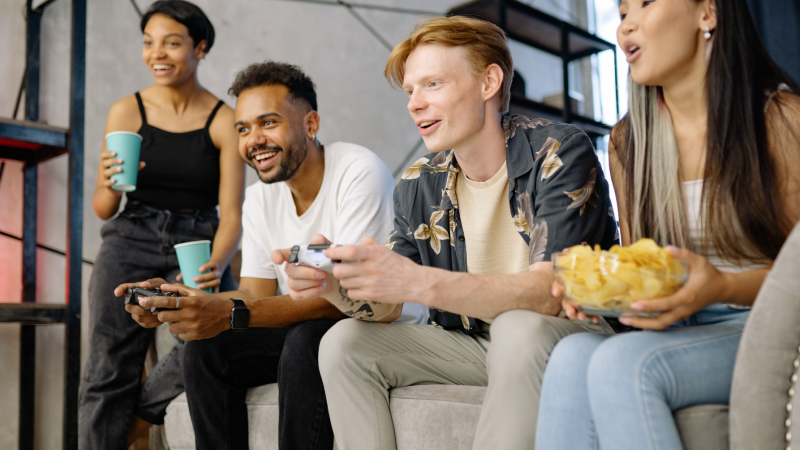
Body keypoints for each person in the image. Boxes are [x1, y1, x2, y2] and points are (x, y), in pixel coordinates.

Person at [276, 16, 619, 449]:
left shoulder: (559, 150)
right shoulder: (419, 182)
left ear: (489, 82)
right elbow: (388, 306)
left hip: (569, 334)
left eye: (432, 84)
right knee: (343, 342)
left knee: (517, 328)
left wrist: (419, 281)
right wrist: (335, 284)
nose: (414, 104)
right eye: (410, 91)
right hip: (476, 343)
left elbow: (553, 291)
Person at [119, 61, 428, 450]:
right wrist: (184, 302)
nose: (254, 140)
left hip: (379, 327)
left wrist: (228, 313)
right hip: (311, 327)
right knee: (206, 349)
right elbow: (255, 293)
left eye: (268, 123)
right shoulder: (259, 199)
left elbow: (350, 298)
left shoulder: (358, 171)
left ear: (311, 124)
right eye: (243, 129)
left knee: (304, 340)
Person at [535, 0, 800, 448]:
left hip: (765, 327)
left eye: (645, 3)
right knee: (569, 355)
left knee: (622, 364)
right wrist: (605, 293)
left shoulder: (782, 120)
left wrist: (721, 287)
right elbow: (646, 269)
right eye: (622, 13)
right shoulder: (627, 142)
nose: (626, 26)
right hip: (678, 329)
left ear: (707, 14)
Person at [78, 1, 244, 449]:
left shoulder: (224, 120)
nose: (157, 54)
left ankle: (141, 416)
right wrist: (109, 183)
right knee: (107, 365)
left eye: (171, 43)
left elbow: (232, 215)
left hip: (198, 240)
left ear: (200, 48)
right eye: (149, 43)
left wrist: (214, 266)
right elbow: (103, 207)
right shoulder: (126, 111)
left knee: (211, 335)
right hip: (130, 235)